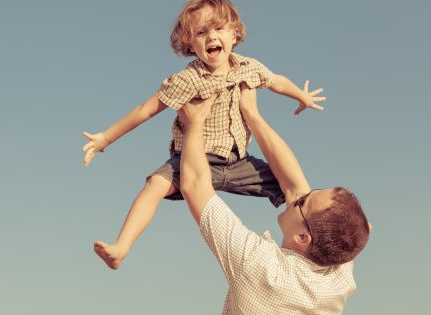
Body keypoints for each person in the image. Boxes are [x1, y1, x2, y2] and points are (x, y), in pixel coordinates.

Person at [83, 0, 325, 270]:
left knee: (294, 190)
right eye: (201, 33)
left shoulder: (248, 67)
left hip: (238, 161)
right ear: (189, 44)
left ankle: (325, 237)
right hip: (194, 159)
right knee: (155, 184)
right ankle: (122, 247)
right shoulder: (188, 80)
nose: (211, 36)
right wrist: (106, 138)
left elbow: (276, 80)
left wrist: (300, 96)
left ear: (234, 34)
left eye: (219, 28)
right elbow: (145, 110)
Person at [178, 84, 371, 314]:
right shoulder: (340, 269)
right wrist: (251, 114)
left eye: (303, 202)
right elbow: (294, 185)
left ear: (302, 237)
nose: (300, 194)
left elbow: (194, 186)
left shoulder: (259, 267)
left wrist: (194, 124)